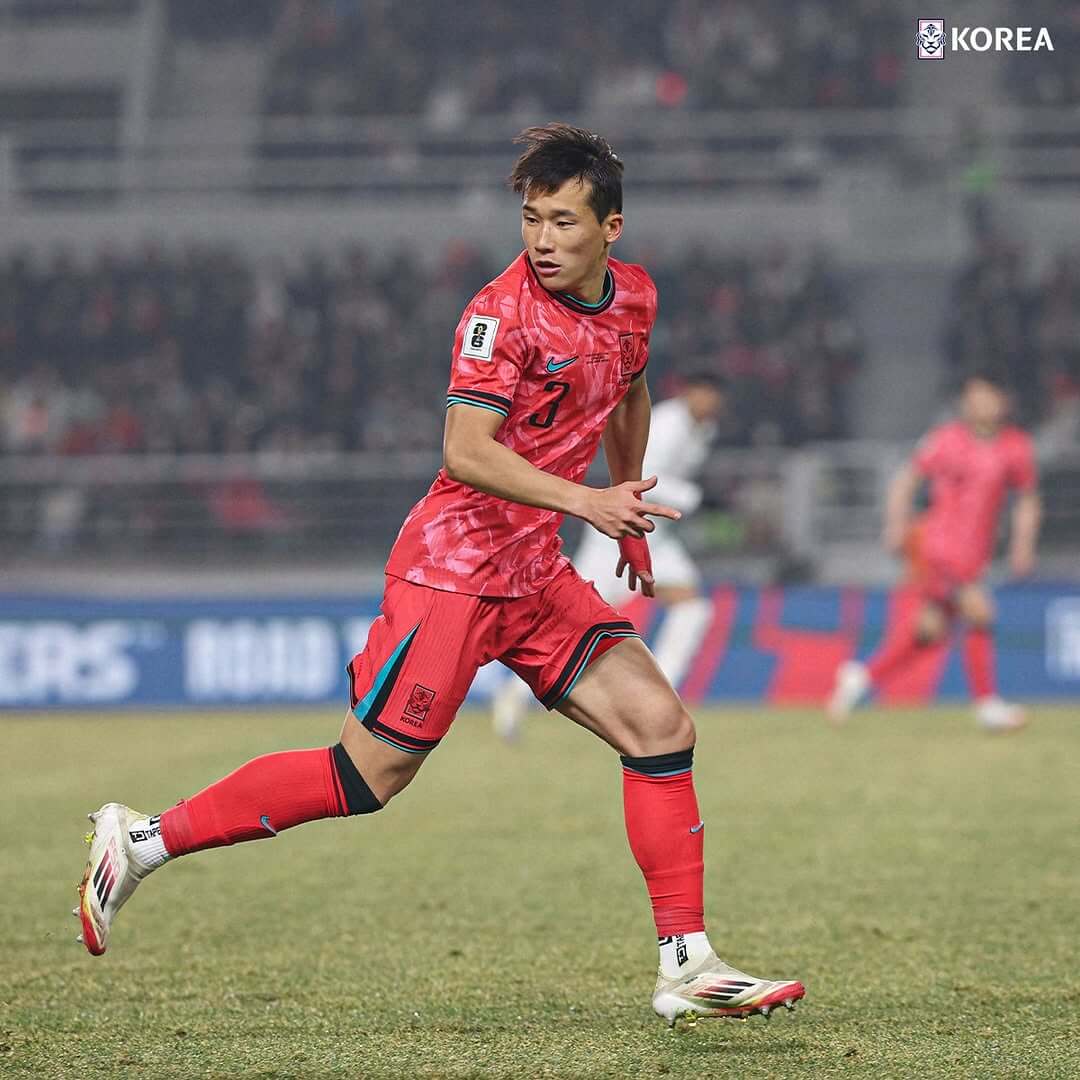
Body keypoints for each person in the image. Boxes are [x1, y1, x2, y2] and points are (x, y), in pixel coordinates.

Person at [76, 124, 804, 1026]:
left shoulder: (635, 299)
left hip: (533, 572)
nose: (542, 240)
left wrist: (629, 502)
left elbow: (630, 390)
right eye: (531, 219)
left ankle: (686, 962)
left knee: (660, 726)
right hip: (451, 571)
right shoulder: (499, 314)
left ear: (611, 228)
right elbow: (466, 451)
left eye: (563, 221)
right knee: (365, 778)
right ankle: (142, 840)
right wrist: (586, 502)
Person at [492, 372, 727, 741]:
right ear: (691, 391)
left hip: (655, 536)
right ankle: (516, 694)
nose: (712, 403)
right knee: (575, 622)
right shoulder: (667, 424)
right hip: (617, 534)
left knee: (693, 607)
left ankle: (663, 694)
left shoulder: (703, 430)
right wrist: (696, 498)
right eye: (707, 393)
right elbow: (642, 477)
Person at [827, 370, 1041, 730]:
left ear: (1003, 402)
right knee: (980, 612)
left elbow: (1027, 498)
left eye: (987, 396)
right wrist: (896, 524)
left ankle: (860, 677)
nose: (979, 404)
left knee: (930, 631)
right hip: (940, 546)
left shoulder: (1015, 447)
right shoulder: (946, 440)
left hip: (976, 552)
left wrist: (1023, 543)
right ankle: (987, 705)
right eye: (973, 397)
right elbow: (906, 480)